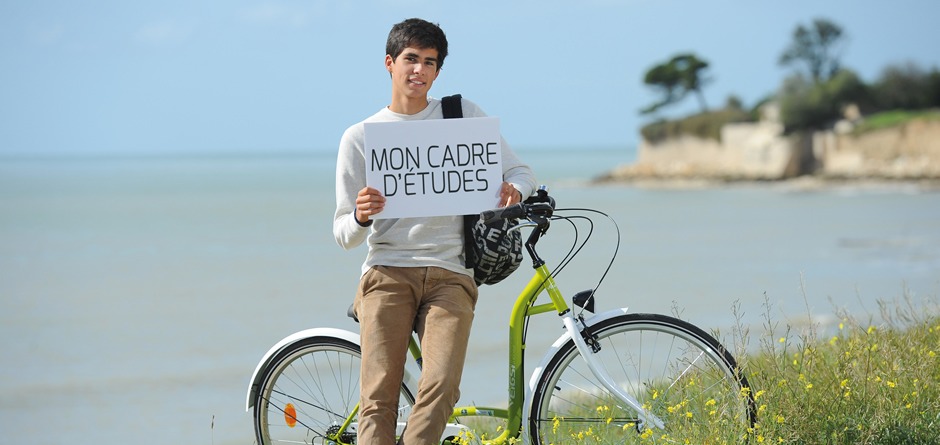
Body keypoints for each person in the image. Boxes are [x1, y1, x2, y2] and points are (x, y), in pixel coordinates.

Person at [332, 17, 537, 445]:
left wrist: (513, 190)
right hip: (388, 271)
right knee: (378, 398)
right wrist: (361, 216)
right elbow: (343, 234)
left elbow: (519, 171)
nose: (419, 71)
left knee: (441, 386)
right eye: (410, 59)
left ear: (438, 71)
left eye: (429, 62)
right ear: (390, 63)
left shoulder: (461, 118)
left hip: (451, 273)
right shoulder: (360, 138)